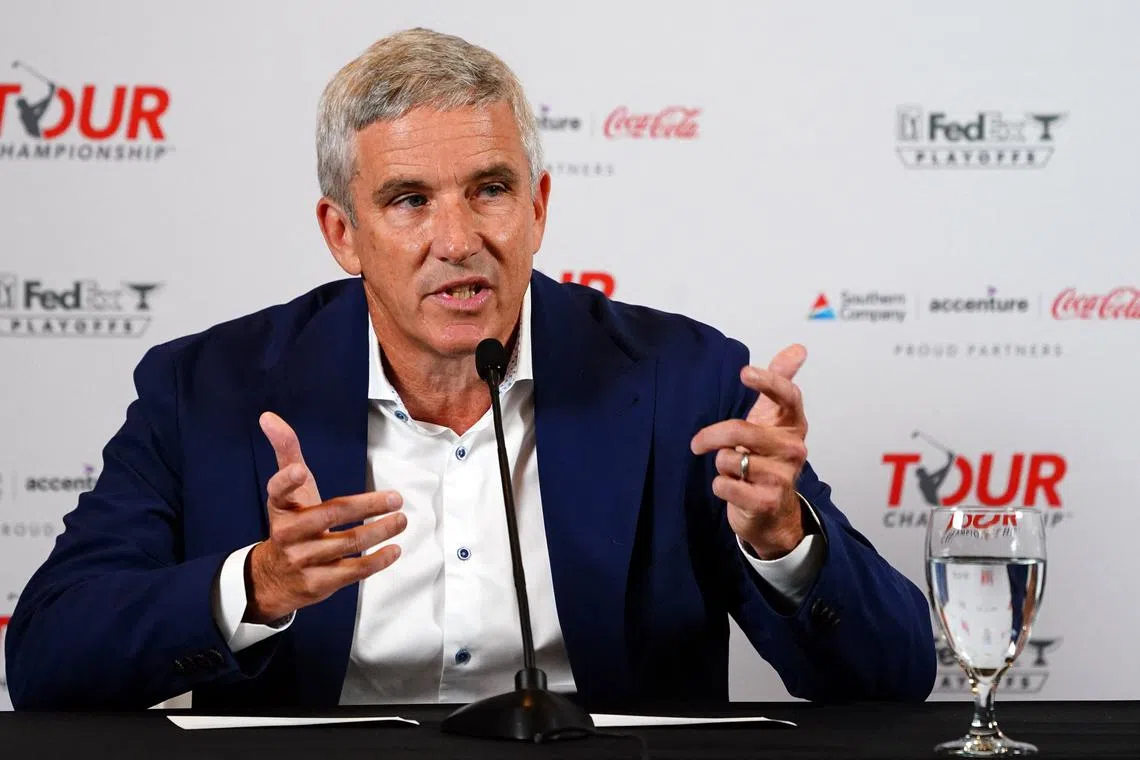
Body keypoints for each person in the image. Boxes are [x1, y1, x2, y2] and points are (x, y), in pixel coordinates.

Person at [5, 28, 935, 710]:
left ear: (537, 207)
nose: (459, 241)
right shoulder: (203, 390)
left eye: (490, 190)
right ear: (343, 236)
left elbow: (892, 682)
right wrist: (255, 588)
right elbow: (46, 659)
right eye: (409, 200)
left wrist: (784, 542)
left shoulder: (684, 381)